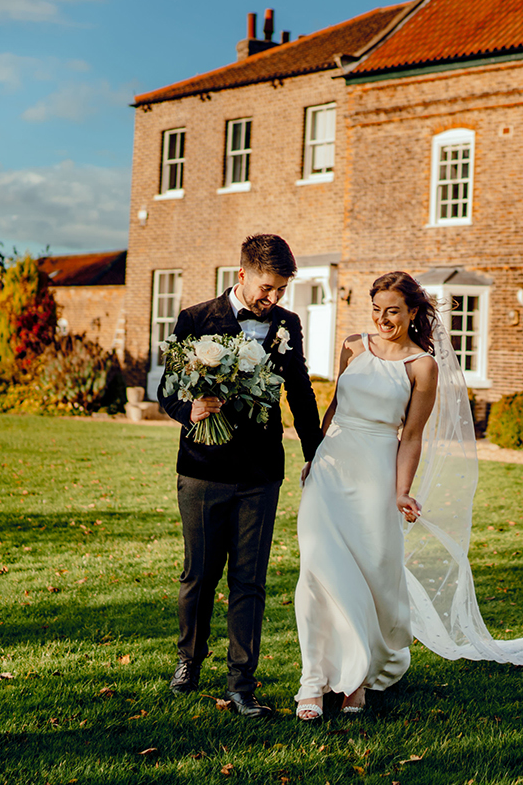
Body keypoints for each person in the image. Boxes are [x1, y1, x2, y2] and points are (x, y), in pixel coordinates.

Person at [292, 272, 523, 721]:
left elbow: (412, 436)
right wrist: (315, 454)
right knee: (317, 572)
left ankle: (356, 681)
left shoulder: (423, 366)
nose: (382, 319)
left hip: (376, 473)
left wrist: (402, 490)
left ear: (413, 311)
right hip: (331, 469)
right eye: (377, 309)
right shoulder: (353, 345)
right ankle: (311, 683)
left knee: (370, 578)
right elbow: (336, 406)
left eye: (393, 310)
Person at [158, 234, 322, 718]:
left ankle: (241, 683)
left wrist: (316, 454)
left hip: (260, 473)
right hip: (202, 471)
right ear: (242, 275)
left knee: (249, 580)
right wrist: (189, 410)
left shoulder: (287, 325)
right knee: (199, 576)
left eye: (281, 291)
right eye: (267, 289)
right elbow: (166, 386)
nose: (273, 300)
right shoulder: (194, 319)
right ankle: (189, 660)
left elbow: (301, 393)